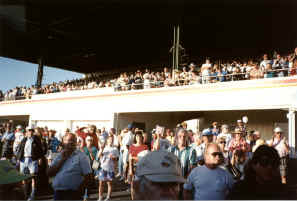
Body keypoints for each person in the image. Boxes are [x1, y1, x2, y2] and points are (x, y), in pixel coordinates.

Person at [228, 145, 294, 199]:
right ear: (254, 164)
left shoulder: (284, 192)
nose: (269, 167)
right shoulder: (240, 191)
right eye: (265, 162)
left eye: (274, 163)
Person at [47, 133, 92, 200]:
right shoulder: (59, 156)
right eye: (69, 140)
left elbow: (88, 176)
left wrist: (79, 191)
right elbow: (49, 173)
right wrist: (62, 160)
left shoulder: (81, 156)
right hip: (58, 193)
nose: (71, 142)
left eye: (73, 140)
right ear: (63, 142)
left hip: (73, 194)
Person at [16, 126, 44, 201]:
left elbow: (40, 149)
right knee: (23, 178)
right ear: (26, 131)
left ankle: (32, 195)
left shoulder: (36, 139)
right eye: (29, 130)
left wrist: (40, 158)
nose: (30, 132)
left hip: (32, 160)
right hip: (23, 160)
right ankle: (25, 194)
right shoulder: (24, 139)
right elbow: (20, 149)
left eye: (31, 130)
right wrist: (18, 159)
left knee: (33, 178)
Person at [96, 136, 119, 201]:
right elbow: (98, 156)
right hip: (103, 167)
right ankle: (100, 197)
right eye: (110, 139)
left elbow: (117, 159)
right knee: (101, 183)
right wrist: (102, 149)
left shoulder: (115, 149)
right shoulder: (104, 147)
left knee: (109, 183)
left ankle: (108, 197)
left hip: (111, 168)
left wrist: (113, 158)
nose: (111, 141)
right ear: (107, 140)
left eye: (112, 139)